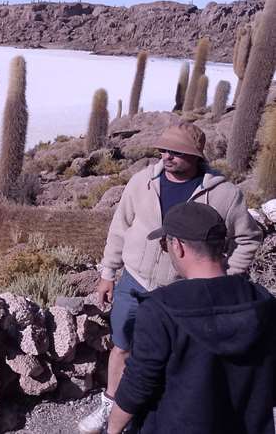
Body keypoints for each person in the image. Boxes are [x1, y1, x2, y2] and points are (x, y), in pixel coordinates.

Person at [77, 122, 262, 434]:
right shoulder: (141, 183)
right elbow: (120, 228)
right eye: (163, 149)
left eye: (177, 152)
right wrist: (108, 273)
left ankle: (153, 409)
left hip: (183, 293)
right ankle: (111, 402)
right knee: (121, 346)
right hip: (134, 282)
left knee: (175, 360)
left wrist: (226, 277)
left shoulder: (225, 195)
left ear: (195, 156)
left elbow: (248, 238)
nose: (167, 156)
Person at [106, 201, 276, 433]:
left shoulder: (160, 308)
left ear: (178, 246)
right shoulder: (262, 300)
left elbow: (138, 385)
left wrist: (113, 428)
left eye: (164, 244)